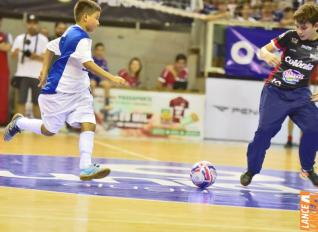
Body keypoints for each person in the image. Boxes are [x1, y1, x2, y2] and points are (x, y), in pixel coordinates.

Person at [3, 0, 127, 181]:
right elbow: (87, 63)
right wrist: (111, 77)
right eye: (97, 18)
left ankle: (86, 166)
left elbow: (49, 47)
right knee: (48, 130)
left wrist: (44, 70)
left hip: (79, 92)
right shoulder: (82, 38)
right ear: (85, 17)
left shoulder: (70, 31)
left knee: (89, 123)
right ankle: (20, 123)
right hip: (59, 92)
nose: (99, 22)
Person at [240, 3, 318, 187]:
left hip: (300, 94)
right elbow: (263, 50)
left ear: (316, 26)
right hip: (275, 91)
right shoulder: (289, 37)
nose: (299, 30)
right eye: (297, 26)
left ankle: (308, 168)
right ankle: (251, 170)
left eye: (304, 27)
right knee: (264, 132)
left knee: (315, 128)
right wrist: (266, 56)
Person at [11, 14, 48, 118]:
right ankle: (18, 125)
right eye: (30, 23)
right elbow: (13, 55)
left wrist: (34, 56)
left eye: (34, 23)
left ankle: (38, 126)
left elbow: (46, 58)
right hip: (22, 74)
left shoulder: (43, 39)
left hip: (37, 75)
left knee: (37, 102)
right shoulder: (19, 38)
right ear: (26, 24)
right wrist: (16, 52)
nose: (32, 26)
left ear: (38, 24)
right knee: (20, 101)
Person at [0, 17, 12, 124]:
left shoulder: (6, 35)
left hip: (2, 71)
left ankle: (2, 120)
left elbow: (7, 47)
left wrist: (3, 46)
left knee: (2, 95)